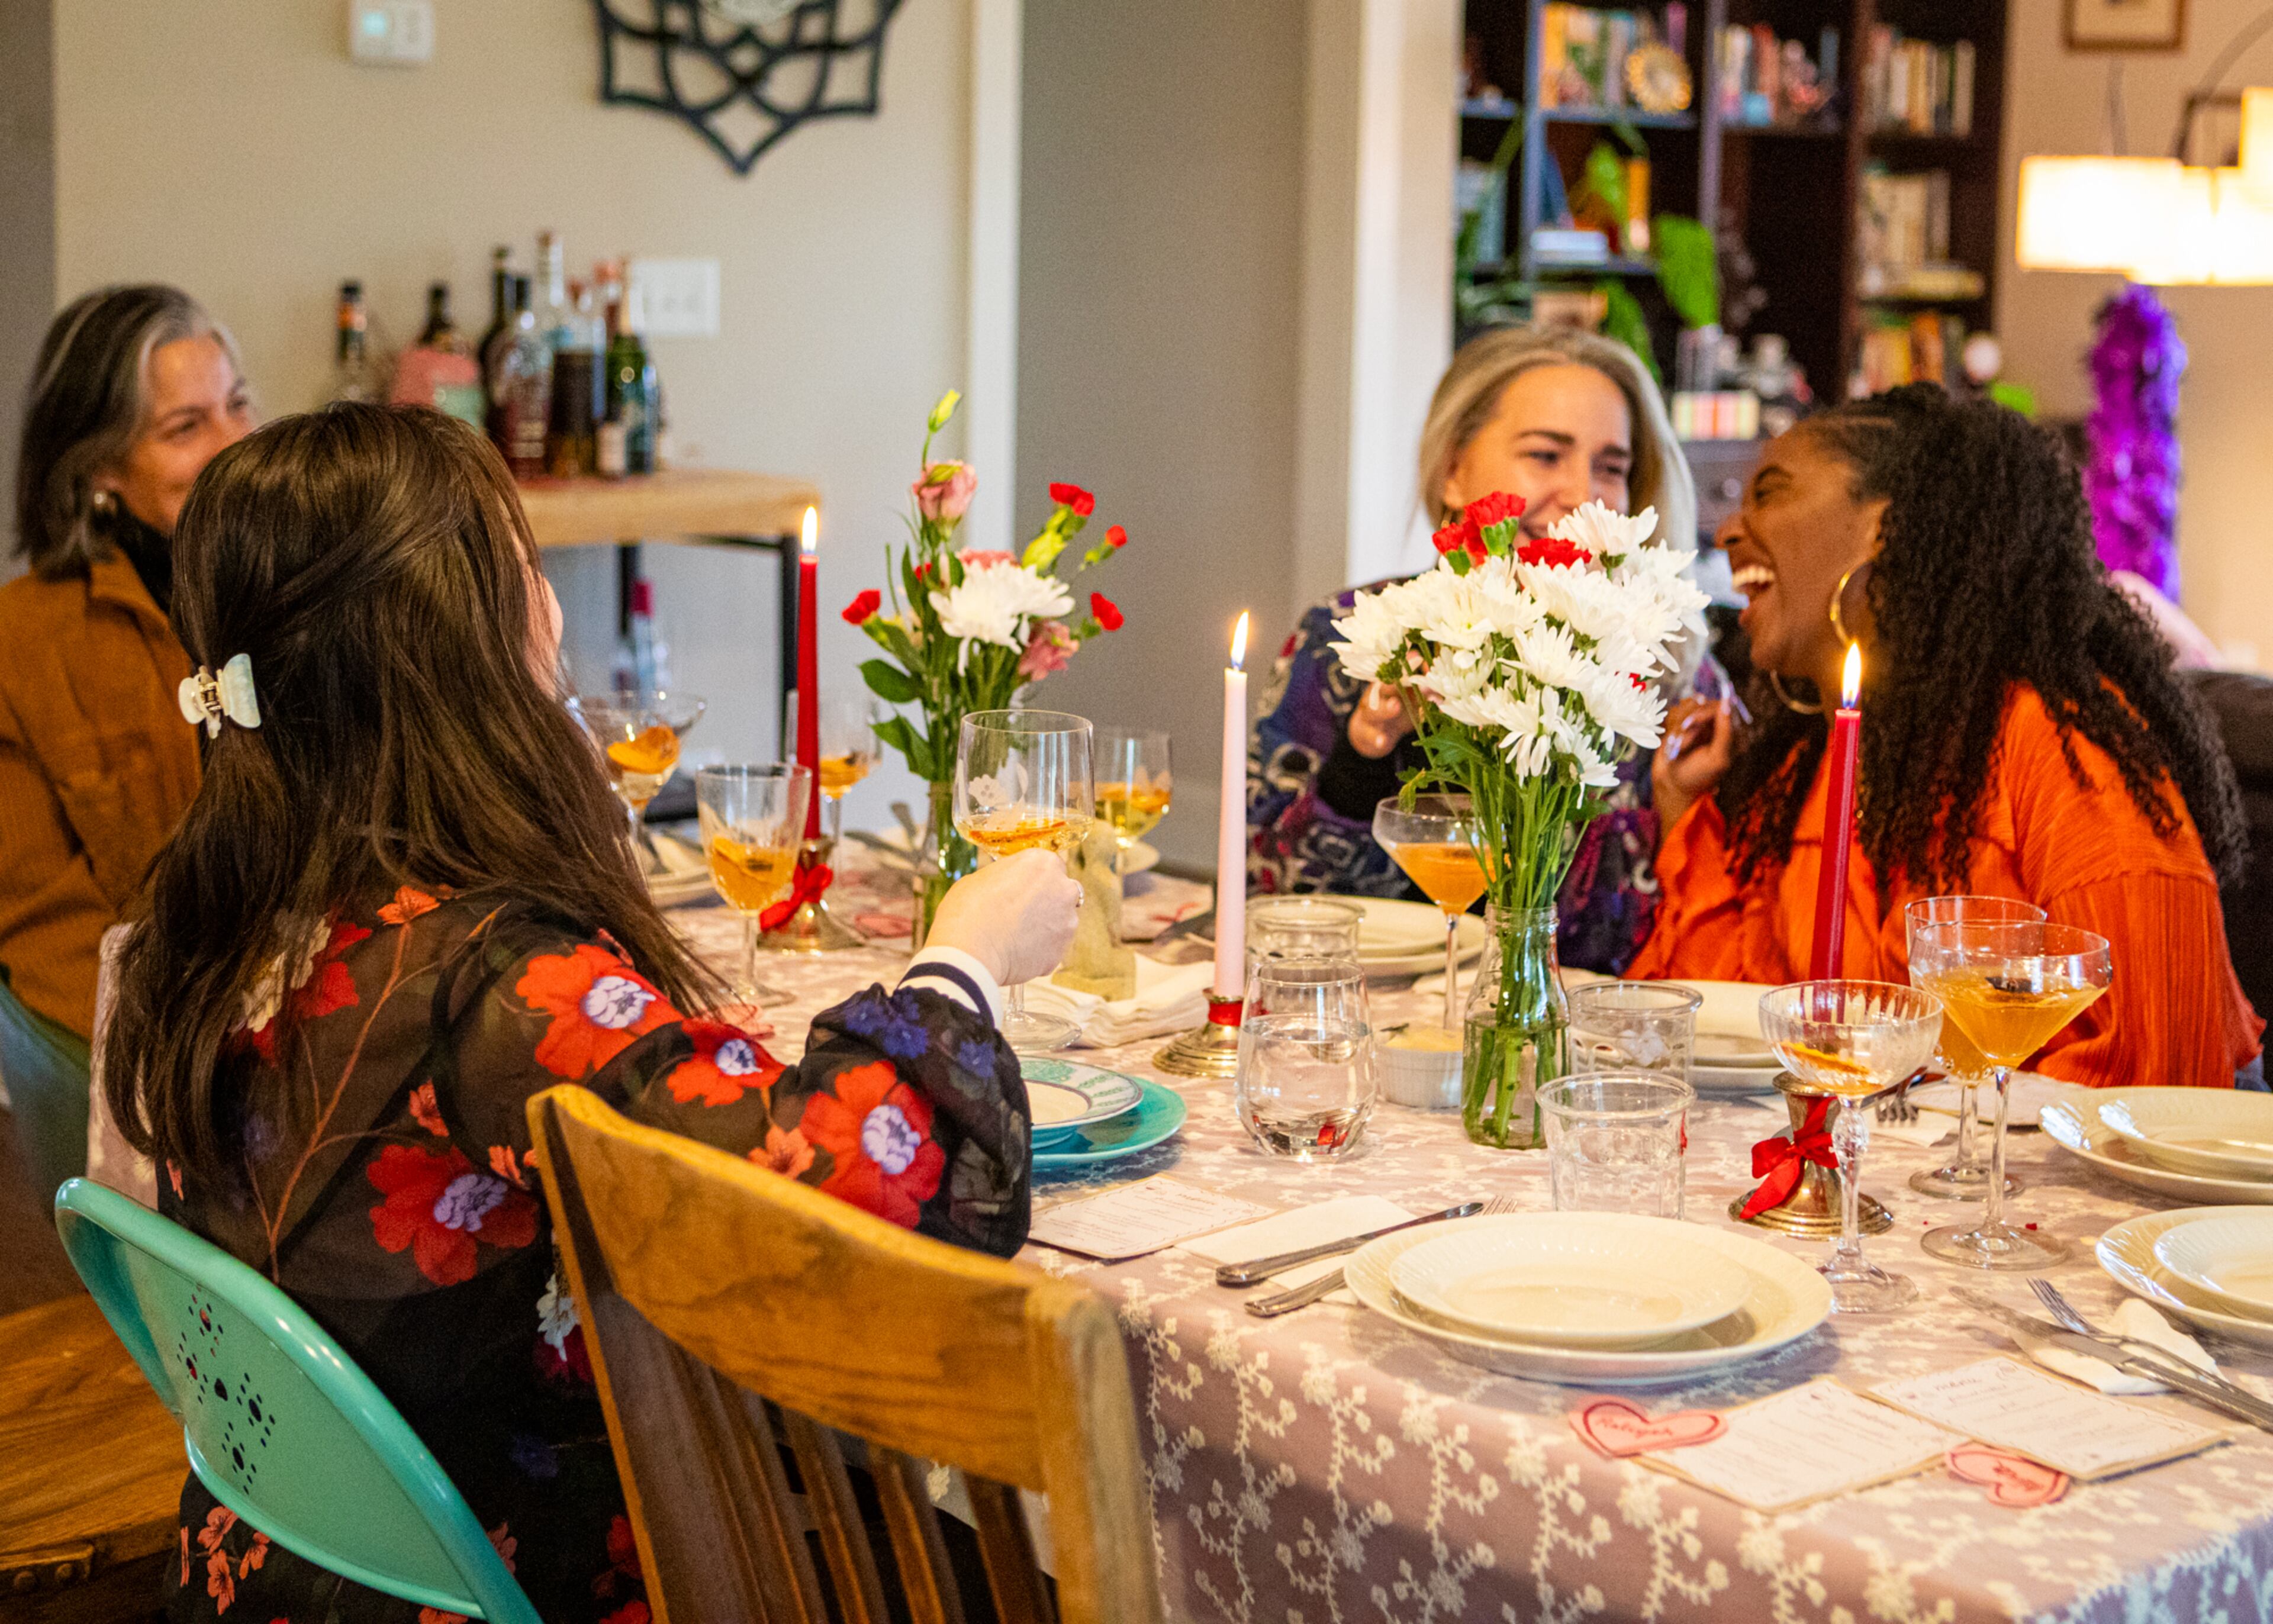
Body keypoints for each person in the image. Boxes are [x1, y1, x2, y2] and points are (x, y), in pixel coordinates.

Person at [102, 405, 1078, 1622]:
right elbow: (836, 1184)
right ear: (449, 647)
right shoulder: (482, 979)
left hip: (295, 1562)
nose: (554, 606)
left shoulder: (213, 921)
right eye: (525, 573)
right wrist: (966, 960)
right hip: (503, 1580)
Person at [1632, 384, 2262, 1088]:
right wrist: (1687, 814)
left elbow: (2159, 1065)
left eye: (1771, 493)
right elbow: (1736, 1018)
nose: (1728, 531)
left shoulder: (2057, 742)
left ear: (1887, 524)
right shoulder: (1809, 754)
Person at [1248, 324, 1714, 972]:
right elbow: (1273, 897)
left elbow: (1694, 940)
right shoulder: (1349, 633)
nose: (1583, 495)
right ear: (1454, 472)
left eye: (1612, 467)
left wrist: (1679, 810)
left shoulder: (1673, 667)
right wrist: (1365, 754)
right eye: (1547, 455)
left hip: (1588, 1049)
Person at [1, 285, 256, 1204]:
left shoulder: (293, 593)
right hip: (157, 1059)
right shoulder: (22, 646)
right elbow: (44, 932)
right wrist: (201, 1065)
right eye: (186, 425)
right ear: (100, 465)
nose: (234, 444)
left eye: (238, 403)